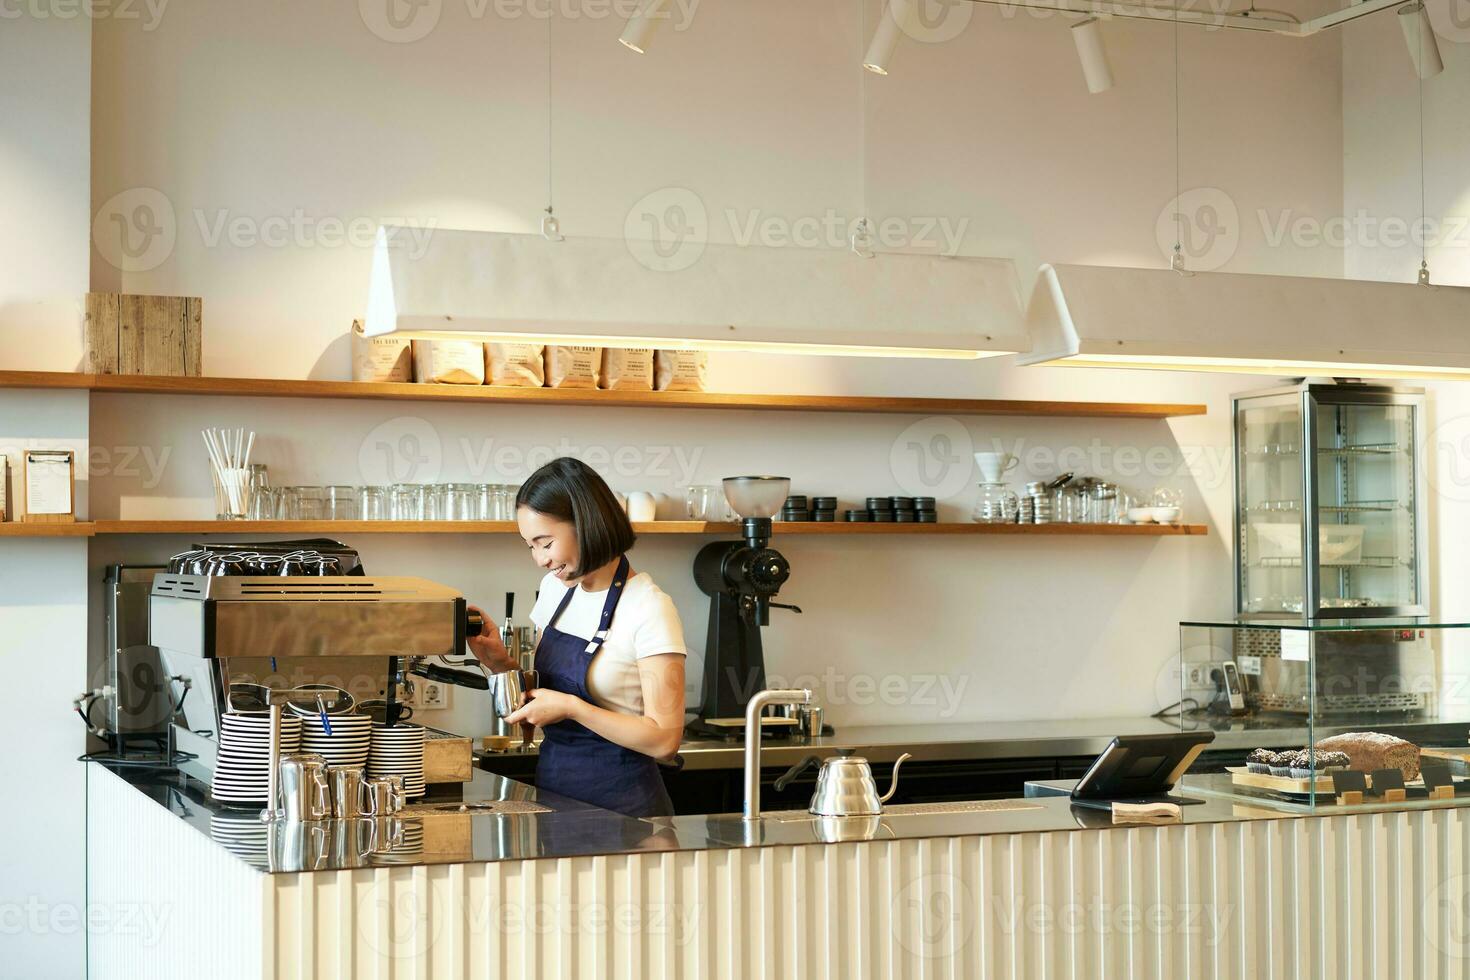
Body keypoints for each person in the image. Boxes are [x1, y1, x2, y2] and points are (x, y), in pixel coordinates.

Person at [467, 457, 687, 817]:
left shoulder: (649, 608)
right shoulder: (554, 590)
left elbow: (664, 740)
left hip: (627, 814)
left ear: (586, 524)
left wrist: (574, 708)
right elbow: (543, 693)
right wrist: (496, 661)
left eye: (546, 542)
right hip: (556, 796)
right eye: (530, 546)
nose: (539, 560)